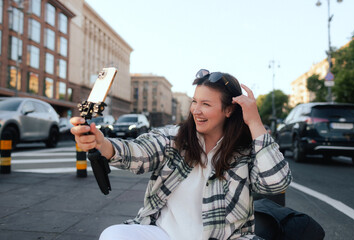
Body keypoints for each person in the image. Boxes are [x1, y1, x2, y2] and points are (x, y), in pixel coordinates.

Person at [70, 69, 292, 240]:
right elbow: (137, 152)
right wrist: (101, 142)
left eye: (206, 104)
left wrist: (254, 121)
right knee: (113, 235)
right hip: (163, 233)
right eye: (194, 102)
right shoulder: (175, 138)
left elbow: (275, 183)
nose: (196, 110)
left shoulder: (246, 151)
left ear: (229, 110)